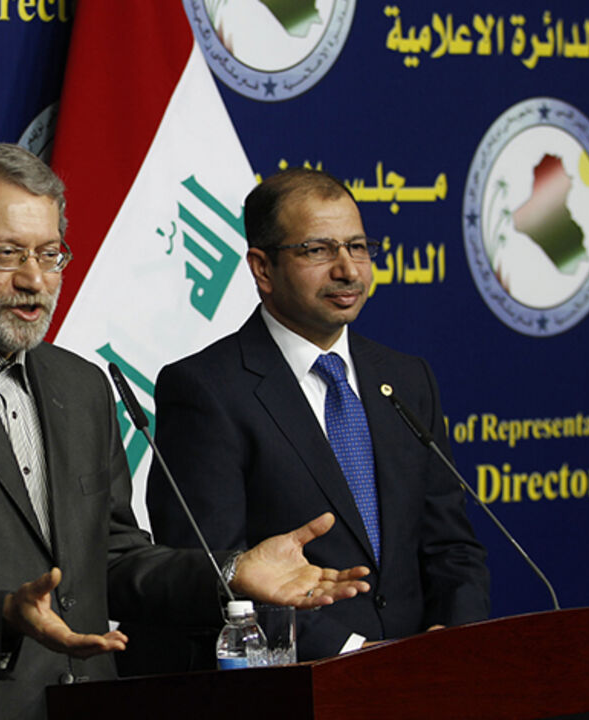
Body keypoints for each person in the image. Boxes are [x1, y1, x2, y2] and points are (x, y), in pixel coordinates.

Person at [0, 145, 371, 720]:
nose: (34, 280)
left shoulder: (81, 384)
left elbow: (113, 560)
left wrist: (229, 572)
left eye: (49, 254)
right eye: (6, 253)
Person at [146, 168, 490, 663]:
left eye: (358, 247)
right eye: (318, 250)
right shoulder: (206, 390)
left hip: (427, 678)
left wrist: (454, 635)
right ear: (263, 269)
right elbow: (211, 570)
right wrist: (352, 654)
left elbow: (451, 547)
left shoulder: (408, 378)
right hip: (299, 683)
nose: (348, 270)